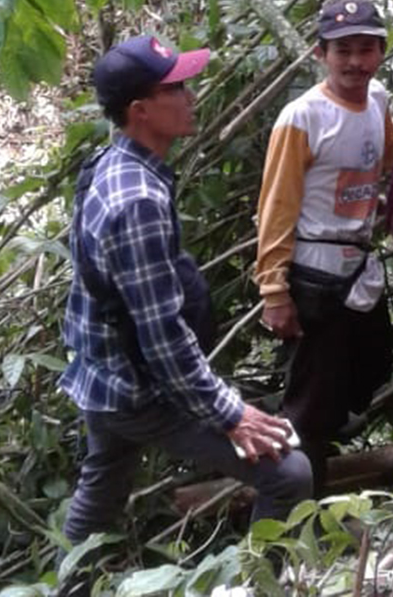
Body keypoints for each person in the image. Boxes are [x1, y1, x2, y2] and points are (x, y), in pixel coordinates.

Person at [59, 34, 312, 585]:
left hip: (102, 378)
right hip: (137, 388)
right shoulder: (138, 202)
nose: (191, 95)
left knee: (99, 494)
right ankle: (253, 587)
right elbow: (162, 339)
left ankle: (63, 586)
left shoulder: (109, 165)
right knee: (289, 473)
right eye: (176, 87)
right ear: (140, 110)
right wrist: (231, 414)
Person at [253, 0, 393, 493]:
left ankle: (328, 442)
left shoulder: (377, 100)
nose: (355, 62)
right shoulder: (304, 118)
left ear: (380, 52)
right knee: (311, 401)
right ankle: (298, 503)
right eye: (343, 51)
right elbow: (277, 204)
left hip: (358, 264)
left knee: (375, 362)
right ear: (321, 55)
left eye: (365, 49)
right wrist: (274, 290)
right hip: (315, 272)